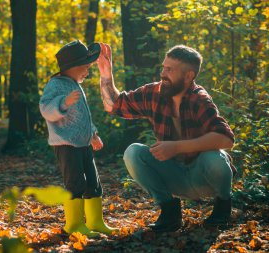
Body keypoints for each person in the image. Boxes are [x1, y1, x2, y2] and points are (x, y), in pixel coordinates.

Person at [97, 43, 236, 232]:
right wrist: (106, 75)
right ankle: (170, 213)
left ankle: (222, 206)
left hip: (203, 177)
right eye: (163, 67)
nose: (163, 73)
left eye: (169, 70)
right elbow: (115, 105)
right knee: (133, 153)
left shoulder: (199, 98)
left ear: (189, 76)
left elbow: (226, 139)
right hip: (174, 175)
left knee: (215, 158)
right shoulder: (155, 92)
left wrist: (176, 147)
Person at [39, 40, 117, 237]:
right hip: (66, 144)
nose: (87, 72)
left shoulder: (74, 84)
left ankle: (95, 221)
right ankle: (73, 224)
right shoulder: (56, 85)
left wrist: (92, 134)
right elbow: (46, 109)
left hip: (83, 143)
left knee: (93, 182)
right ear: (72, 68)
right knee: (75, 183)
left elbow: (83, 116)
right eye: (85, 68)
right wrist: (63, 103)